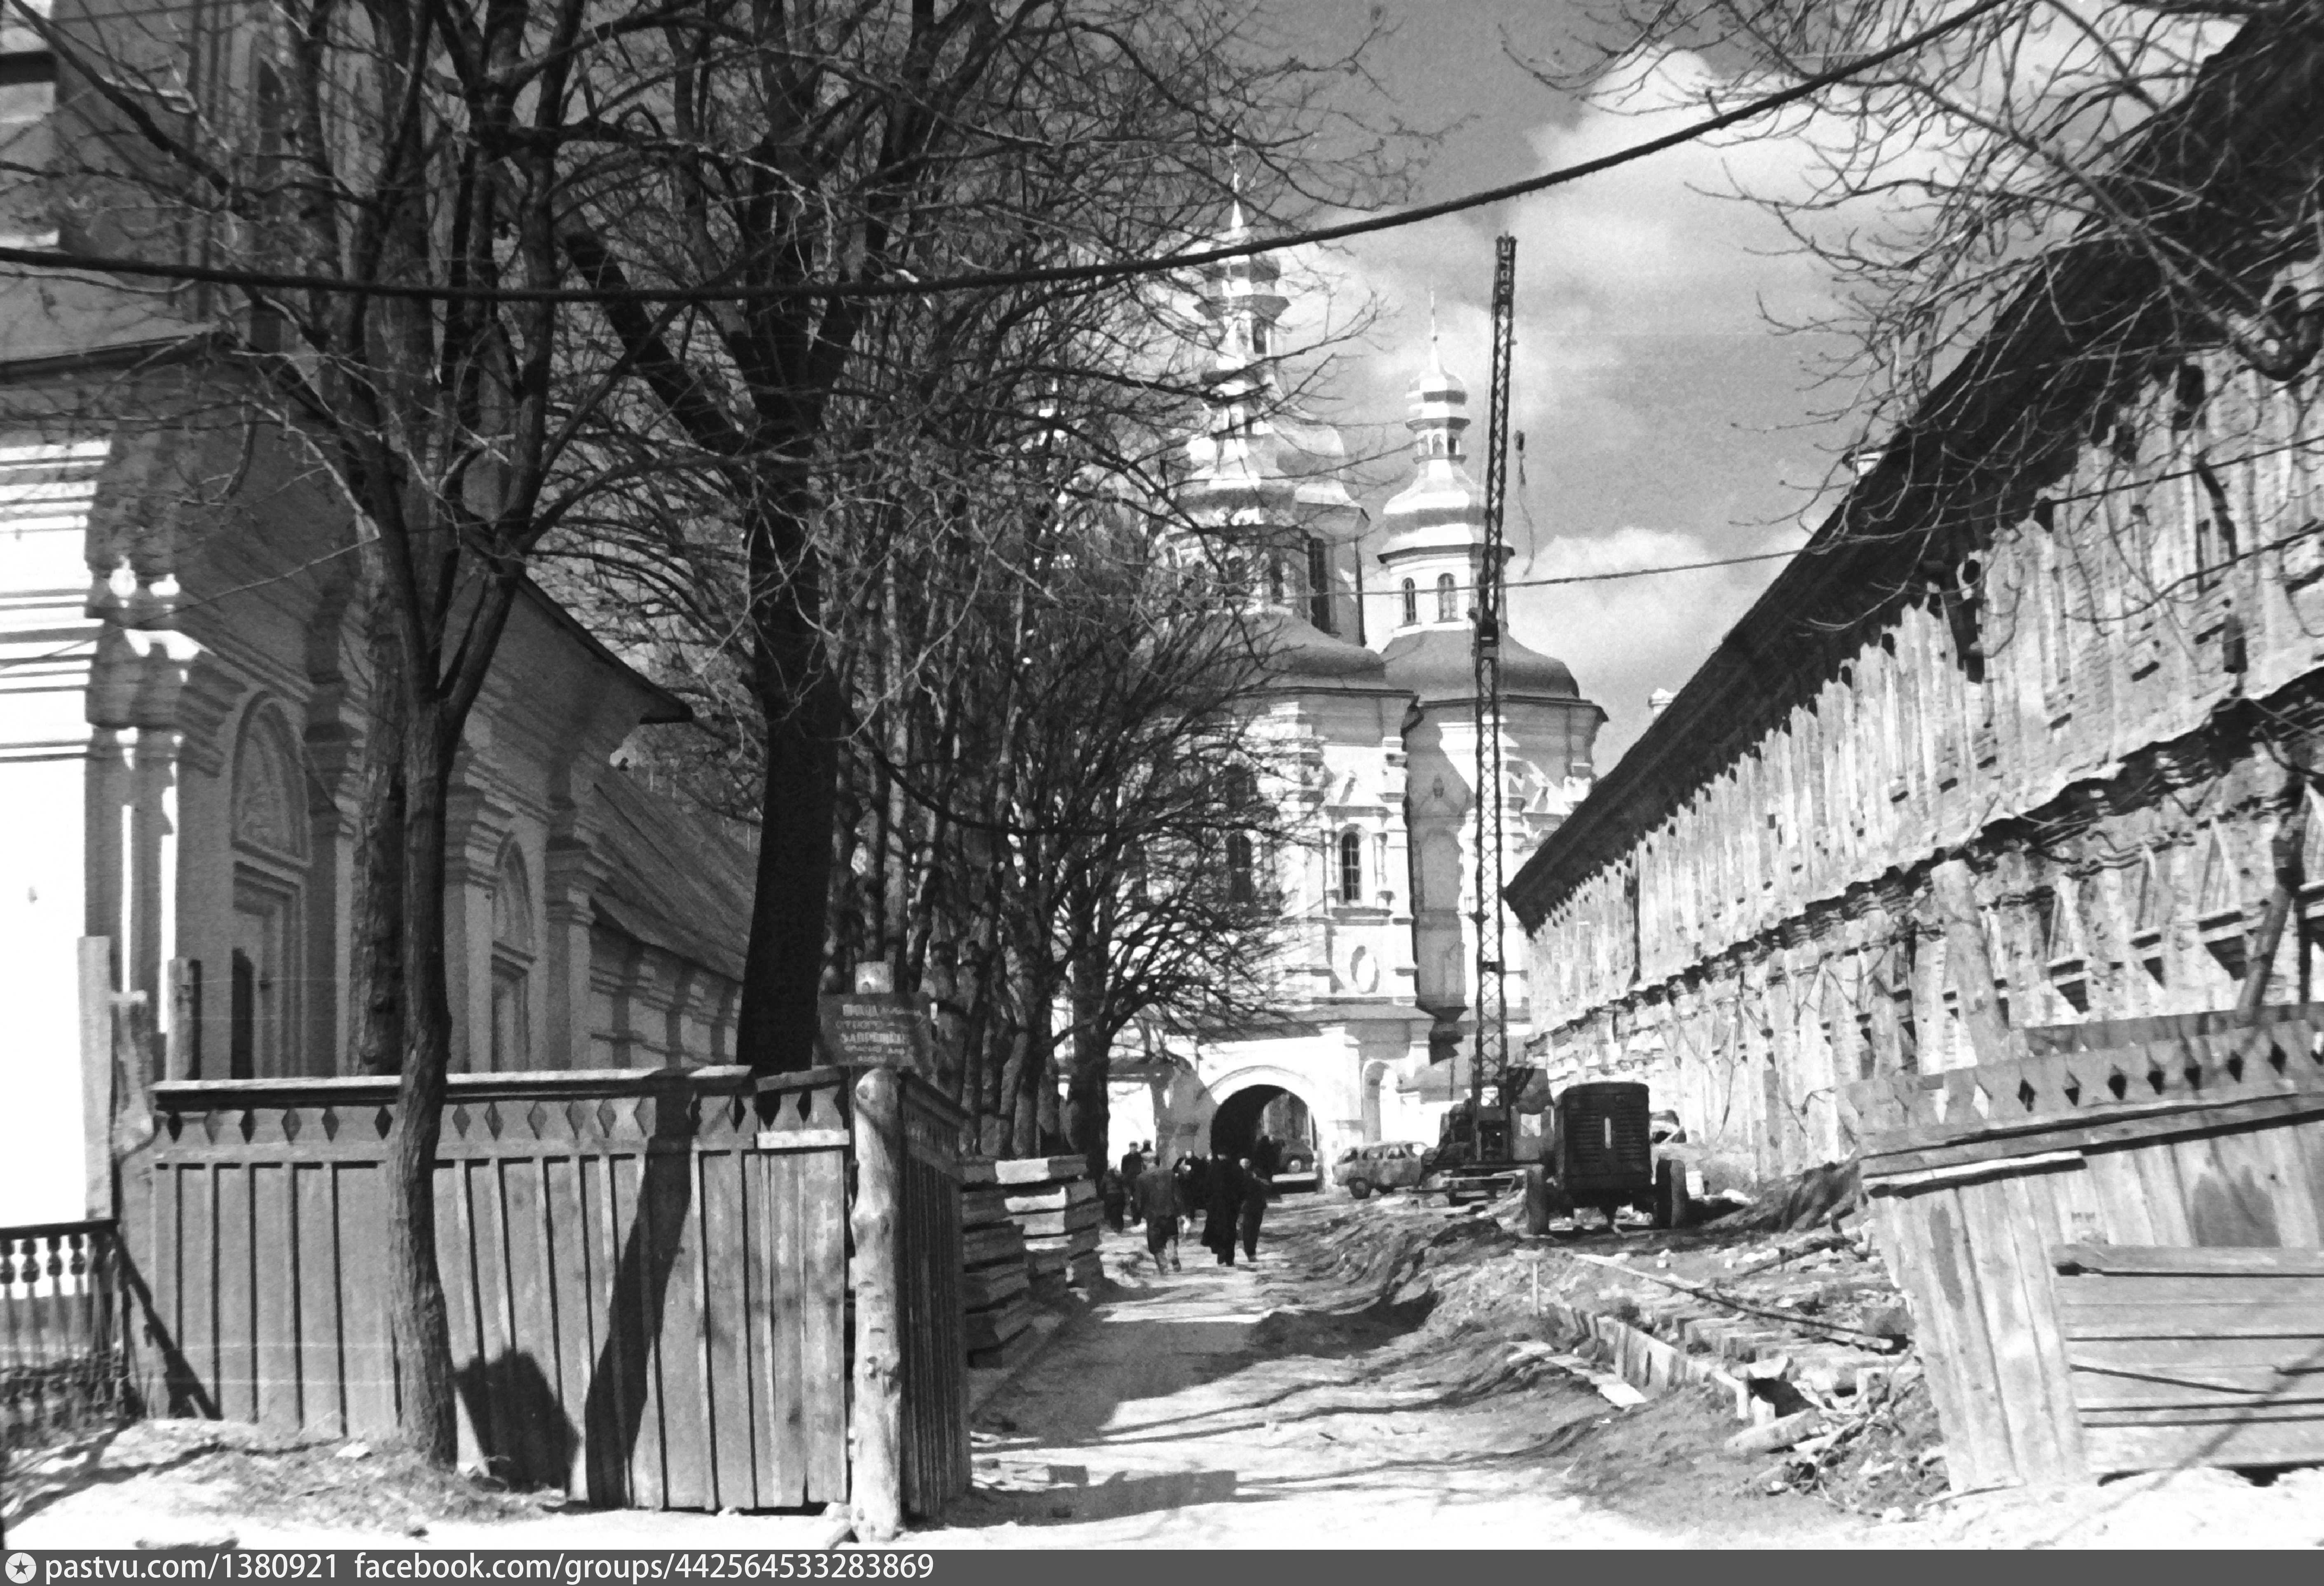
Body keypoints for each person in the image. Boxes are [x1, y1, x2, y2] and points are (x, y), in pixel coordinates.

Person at [1132, 1155, 1181, 1274]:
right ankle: (1173, 1254)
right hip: (1170, 1213)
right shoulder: (1170, 1174)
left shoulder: (1141, 1178)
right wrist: (1181, 1213)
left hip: (1152, 1216)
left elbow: (1138, 1201)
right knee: (1171, 1236)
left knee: (1156, 1242)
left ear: (1146, 1163)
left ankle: (1163, 1266)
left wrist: (1137, 1217)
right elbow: (1177, 1195)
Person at [1202, 1154, 1246, 1265]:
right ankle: (1230, 1257)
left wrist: (1207, 1203)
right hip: (1232, 1205)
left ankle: (1220, 1251)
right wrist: (1239, 1202)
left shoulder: (1213, 1169)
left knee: (1218, 1229)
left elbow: (1206, 1187)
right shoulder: (1237, 1169)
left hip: (1216, 1205)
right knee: (1231, 1229)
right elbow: (1243, 1188)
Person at [1237, 1155, 1275, 1263]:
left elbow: (1268, 1186)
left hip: (1258, 1206)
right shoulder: (1237, 1174)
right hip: (1245, 1208)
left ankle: (1252, 1251)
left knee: (1255, 1230)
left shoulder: (1257, 1172)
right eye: (1243, 1163)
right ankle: (1250, 1252)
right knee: (1246, 1230)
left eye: (1247, 1163)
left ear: (1250, 1163)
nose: (1245, 1165)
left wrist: (1257, 1179)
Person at [1119, 1143, 1147, 1226]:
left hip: (1137, 1181)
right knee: (1129, 1200)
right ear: (1130, 1148)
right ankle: (1132, 1216)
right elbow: (1123, 1170)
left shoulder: (1140, 1157)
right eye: (1132, 1147)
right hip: (1129, 1181)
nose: (1133, 1149)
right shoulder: (1126, 1158)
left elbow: (1143, 1168)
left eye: (1135, 1148)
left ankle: (1137, 1219)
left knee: (1137, 1200)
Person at [1099, 1165, 1127, 1234]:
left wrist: (1101, 1195)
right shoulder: (1119, 1175)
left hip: (1110, 1196)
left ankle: (1114, 1225)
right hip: (1120, 1195)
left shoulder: (1106, 1177)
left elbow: (1102, 1187)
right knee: (1120, 1211)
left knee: (1110, 1210)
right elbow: (1124, 1184)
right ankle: (1120, 1226)